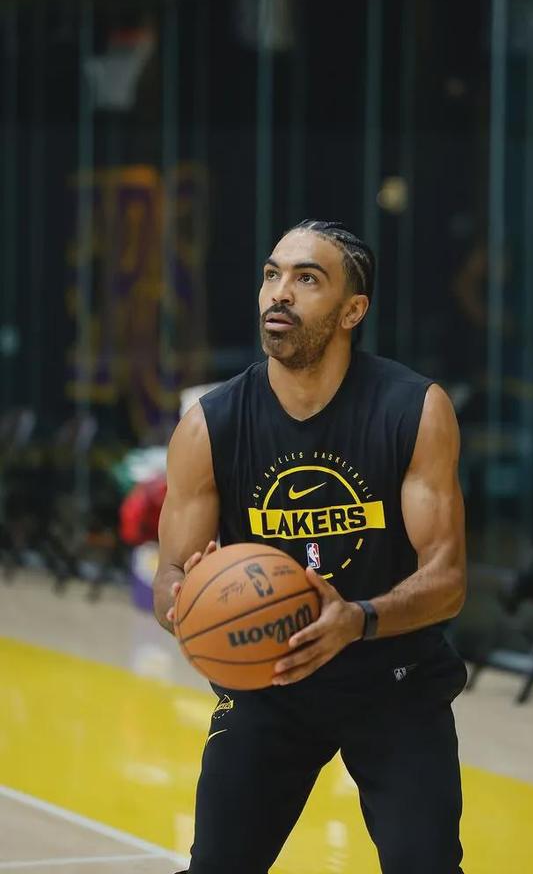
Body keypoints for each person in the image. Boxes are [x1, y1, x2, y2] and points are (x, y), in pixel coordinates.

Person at [153, 219, 468, 874]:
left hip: (392, 680)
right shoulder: (211, 424)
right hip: (267, 683)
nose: (280, 292)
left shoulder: (413, 410)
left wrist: (359, 618)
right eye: (272, 274)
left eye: (307, 279)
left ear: (352, 310)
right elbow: (169, 575)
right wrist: (185, 599)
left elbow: (447, 581)